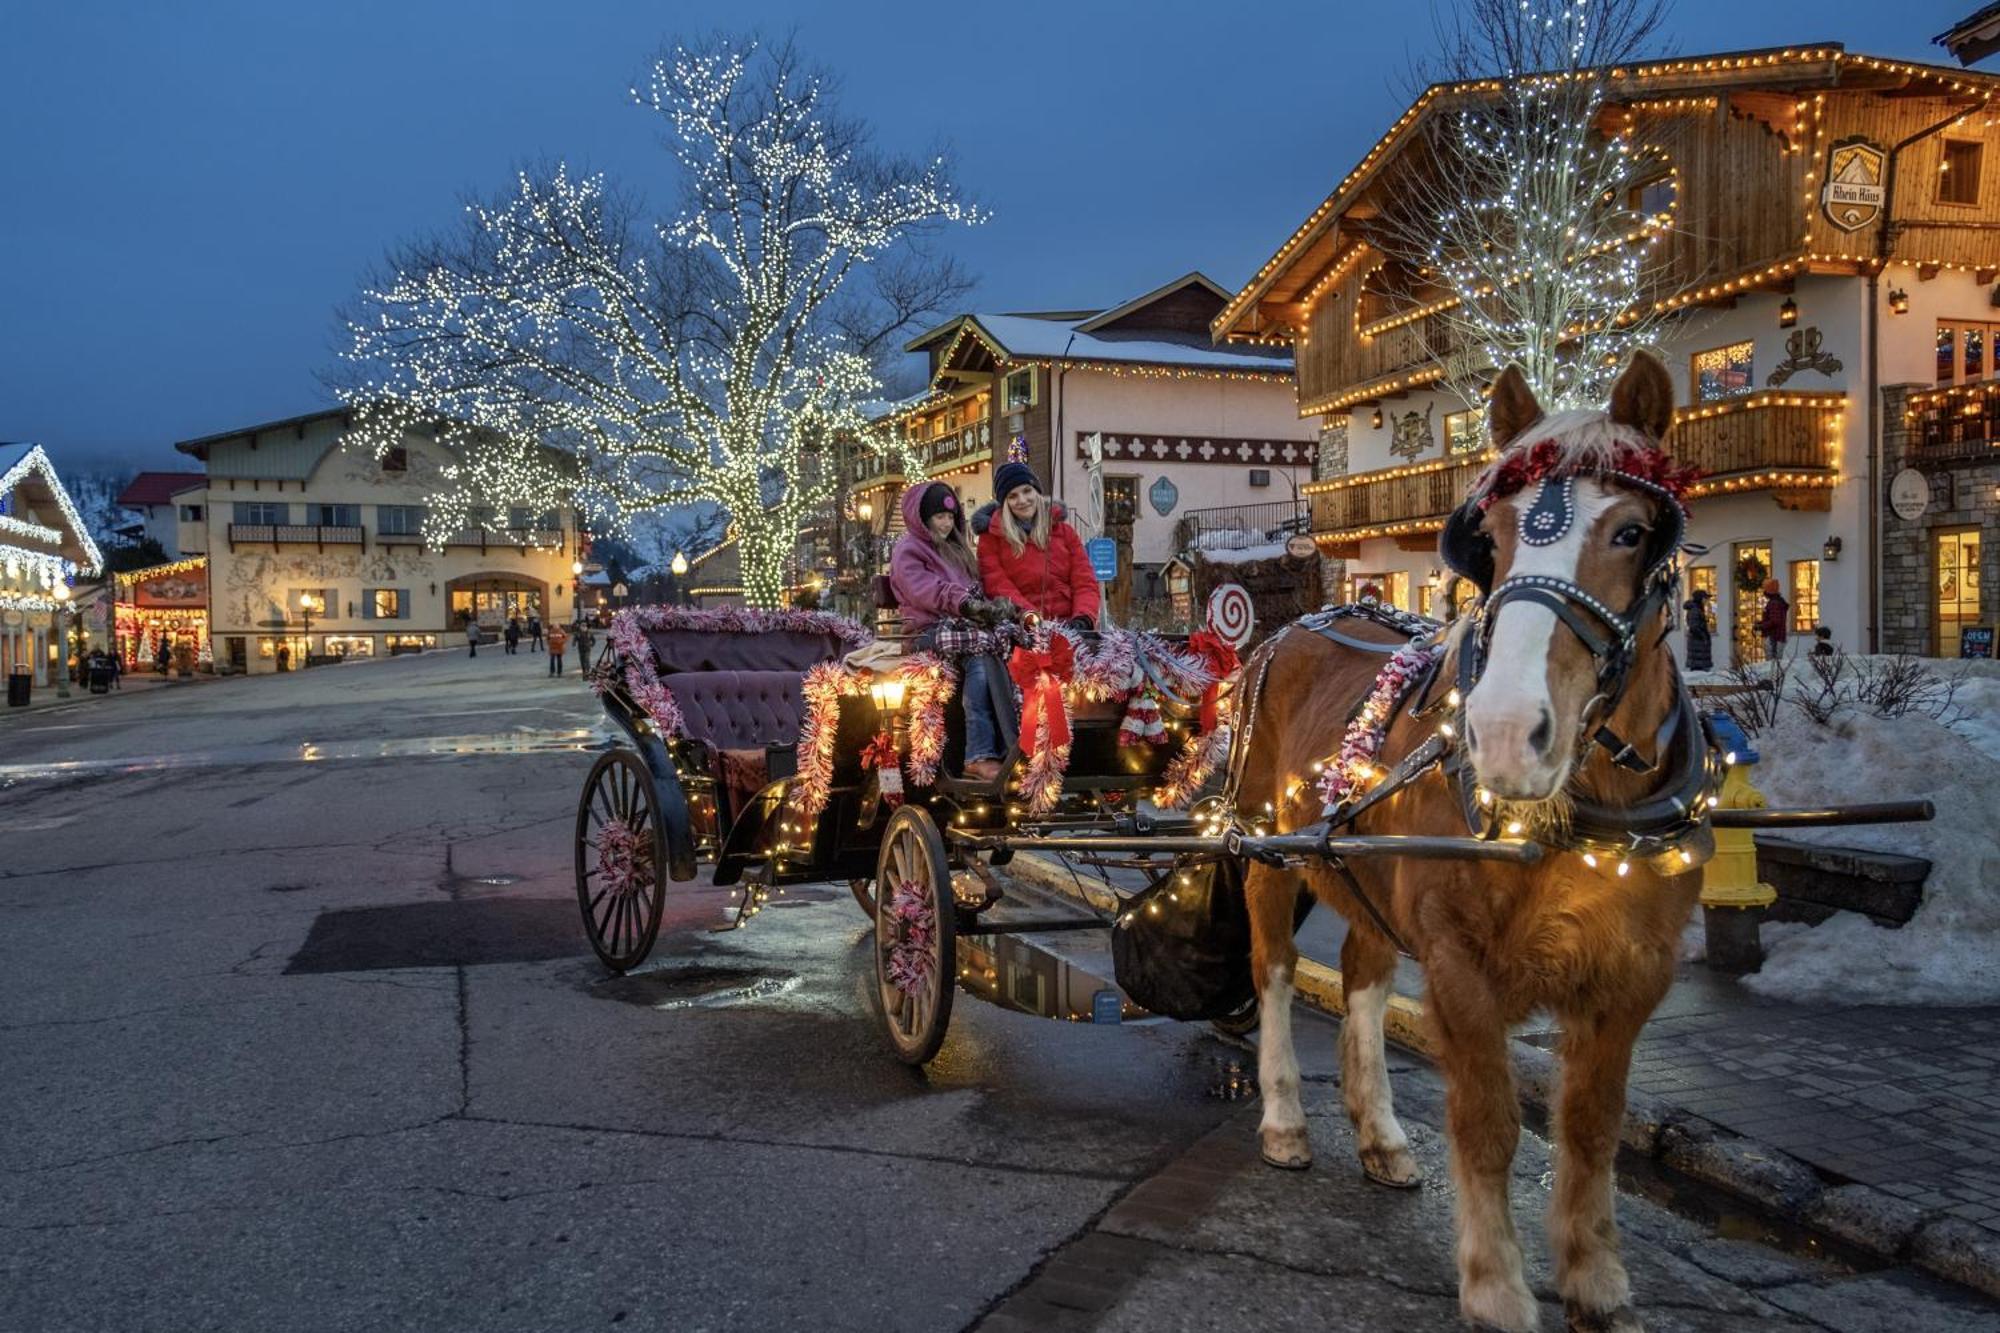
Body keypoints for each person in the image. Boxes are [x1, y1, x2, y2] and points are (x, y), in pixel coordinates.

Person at [890, 480, 1008, 781]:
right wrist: (966, 604)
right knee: (980, 655)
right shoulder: (909, 550)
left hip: (959, 625)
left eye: (950, 517)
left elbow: (975, 588)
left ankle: (1012, 741)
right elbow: (926, 591)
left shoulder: (957, 549)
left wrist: (994, 607)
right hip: (925, 630)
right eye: (939, 517)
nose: (945, 523)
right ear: (923, 518)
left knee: (1006, 643)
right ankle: (978, 753)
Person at [973, 462, 1102, 630]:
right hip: (1023, 628)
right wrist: (1031, 618)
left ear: (1037, 492)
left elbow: (1084, 581)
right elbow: (997, 586)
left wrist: (1083, 618)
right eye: (1012, 496)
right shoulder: (991, 538)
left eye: (1027, 491)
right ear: (1004, 503)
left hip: (1072, 627)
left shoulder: (1065, 532)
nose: (1022, 500)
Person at [1682, 588, 1714, 672]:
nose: (1706, 601)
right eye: (1704, 598)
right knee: (1698, 672)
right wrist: (1703, 637)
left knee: (1699, 671)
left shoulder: (1698, 609)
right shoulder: (1695, 610)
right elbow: (1694, 627)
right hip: (1698, 647)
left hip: (1699, 648)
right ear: (1700, 599)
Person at [1758, 577, 1790, 663]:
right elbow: (1774, 619)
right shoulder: (1778, 602)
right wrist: (1762, 623)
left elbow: (1775, 621)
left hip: (1774, 637)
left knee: (1772, 663)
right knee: (1776, 662)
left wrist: (1761, 626)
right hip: (1778, 637)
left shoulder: (1774, 603)